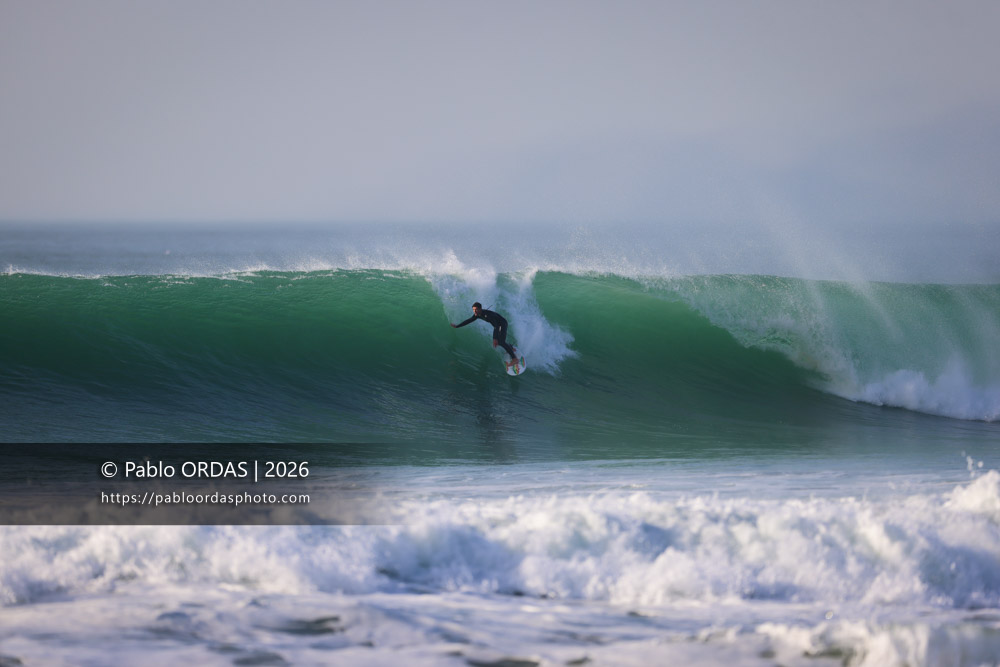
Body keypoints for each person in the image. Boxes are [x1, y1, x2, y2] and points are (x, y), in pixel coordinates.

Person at [451, 302, 520, 370]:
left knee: (501, 342)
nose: (474, 311)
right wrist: (457, 326)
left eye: (476, 309)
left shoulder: (488, 315)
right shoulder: (477, 315)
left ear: (480, 309)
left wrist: (494, 338)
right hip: (498, 325)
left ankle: (514, 359)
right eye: (473, 310)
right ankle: (510, 348)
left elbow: (496, 326)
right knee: (500, 341)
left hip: (502, 324)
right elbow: (469, 320)